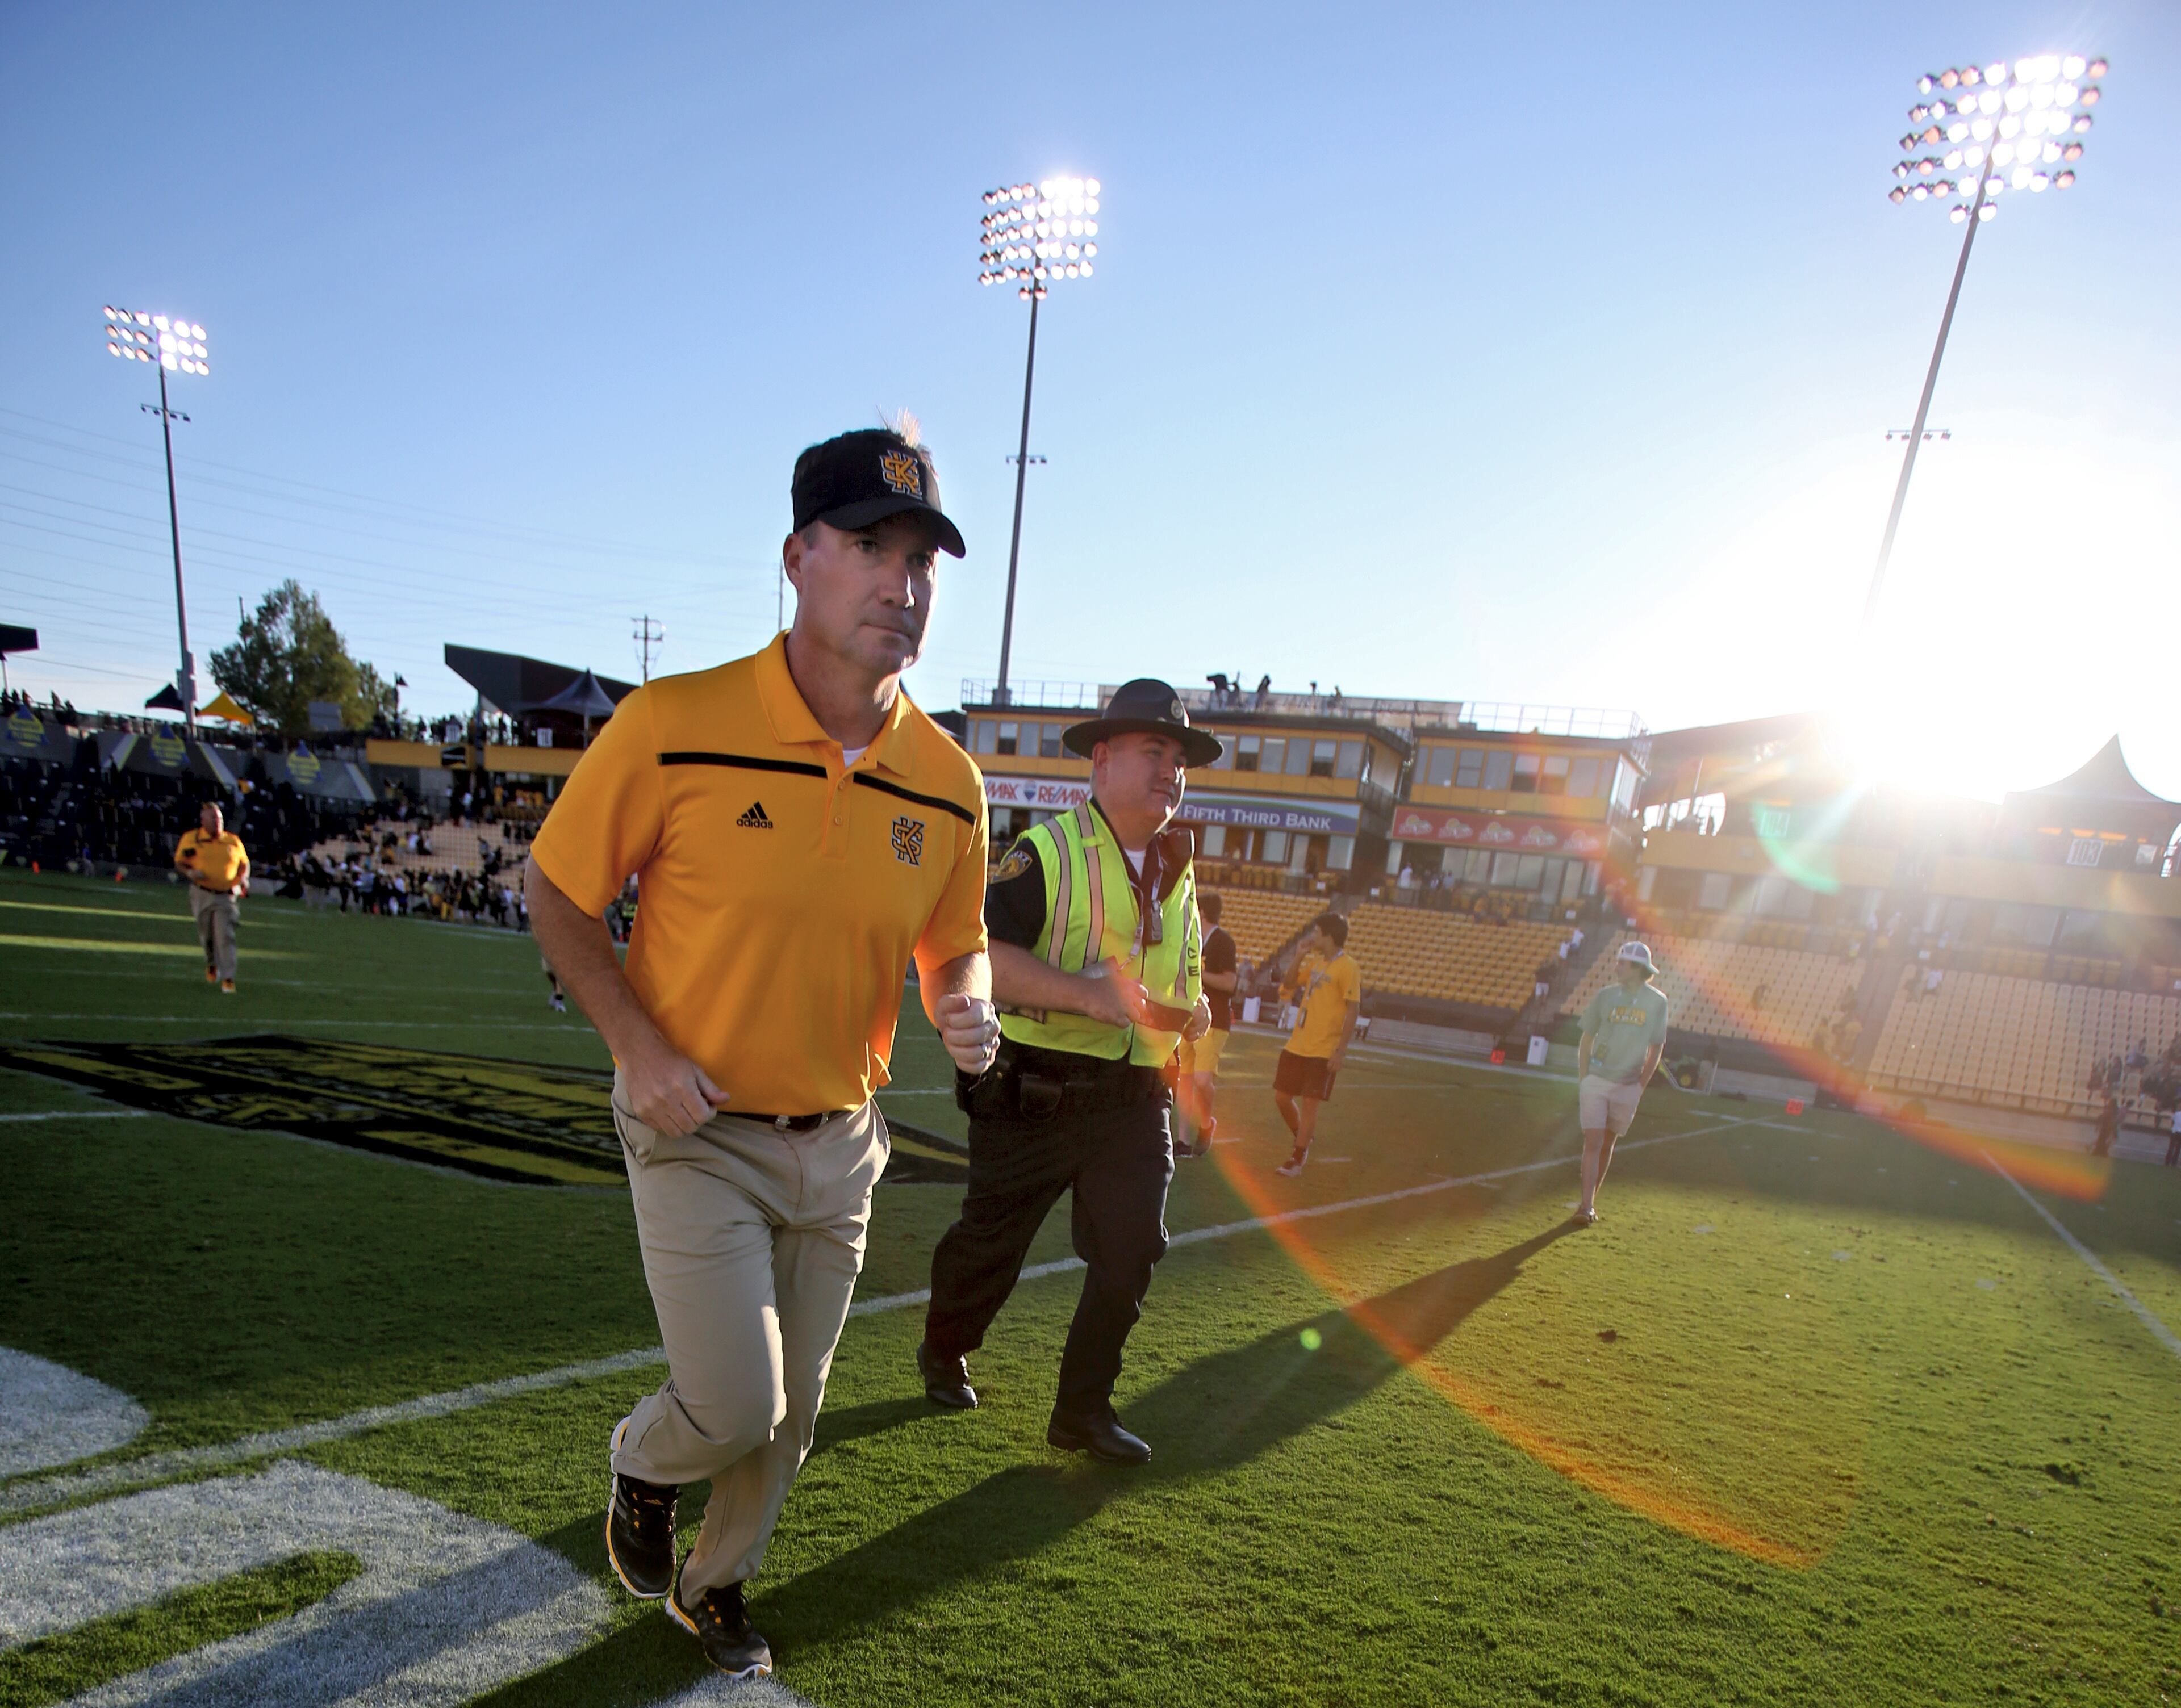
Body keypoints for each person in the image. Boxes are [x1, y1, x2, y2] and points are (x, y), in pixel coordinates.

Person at [524, 424, 999, 1681]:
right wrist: (637, 1047)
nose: (900, 583)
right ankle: (641, 1461)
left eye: (922, 561)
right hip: (698, 1129)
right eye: (867, 547)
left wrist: (967, 998)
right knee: (736, 1402)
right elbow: (560, 892)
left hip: (842, 1144)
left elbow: (956, 944)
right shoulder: (675, 724)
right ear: (797, 557)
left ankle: (711, 1584)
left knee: (794, 1420)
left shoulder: (952, 783)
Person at [918, 679, 1215, 1466]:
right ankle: (945, 1347)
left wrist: (1195, 1021)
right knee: (992, 1243)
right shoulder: (1046, 851)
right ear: (1103, 760)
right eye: (1155, 751)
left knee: (1132, 1250)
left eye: (1180, 759)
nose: (1172, 771)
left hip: (1135, 1100)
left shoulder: (1181, 869)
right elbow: (982, 960)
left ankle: (1082, 1409)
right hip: (1034, 1094)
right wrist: (1087, 997)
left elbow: (1179, 979)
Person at [1573, 941, 1670, 1225]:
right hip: (1598, 1080)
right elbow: (1587, 1037)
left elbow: (1657, 1047)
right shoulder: (1605, 996)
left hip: (1628, 1086)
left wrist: (1641, 1085)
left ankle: (1590, 1202)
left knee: (1607, 1143)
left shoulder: (1658, 1001)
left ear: (1638, 969)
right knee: (1593, 1141)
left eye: (1622, 963)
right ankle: (1586, 1206)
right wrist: (1583, 1077)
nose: (1617, 967)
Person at [1272, 912, 1361, 1178]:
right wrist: (1298, 956)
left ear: (1329, 936)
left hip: (1324, 1048)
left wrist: (1340, 1051)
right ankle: (1303, 1136)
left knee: (1311, 1102)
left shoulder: (1348, 967)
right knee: (1281, 1096)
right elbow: (1289, 984)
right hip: (1298, 1042)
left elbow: (1353, 1011)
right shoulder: (1317, 963)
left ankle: (1297, 1158)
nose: (1313, 936)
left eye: (1317, 932)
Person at [1176, 890, 1238, 1158]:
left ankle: (1206, 1125)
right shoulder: (1192, 937)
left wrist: (1199, 976)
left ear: (1202, 912)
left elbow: (1230, 982)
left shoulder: (1223, 941)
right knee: (1184, 1079)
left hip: (1215, 1019)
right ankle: (1182, 1139)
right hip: (1189, 1015)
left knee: (1201, 1080)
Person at [173, 801, 249, 993]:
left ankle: (228, 978)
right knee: (207, 936)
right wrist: (190, 873)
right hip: (202, 893)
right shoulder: (192, 838)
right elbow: (180, 862)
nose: (218, 822)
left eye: (220, 818)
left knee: (225, 936)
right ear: (203, 820)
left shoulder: (233, 841)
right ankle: (211, 963)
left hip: (226, 897)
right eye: (213, 818)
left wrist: (243, 880)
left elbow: (244, 864)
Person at [2091, 1094, 2121, 1159]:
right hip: (2110, 1127)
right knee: (2105, 1139)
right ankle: (2102, 1152)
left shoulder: (2109, 1109)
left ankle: (2098, 1151)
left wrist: (2098, 1125)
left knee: (2101, 1139)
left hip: (2105, 1127)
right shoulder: (2115, 1110)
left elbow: (2103, 1117)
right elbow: (2115, 1119)